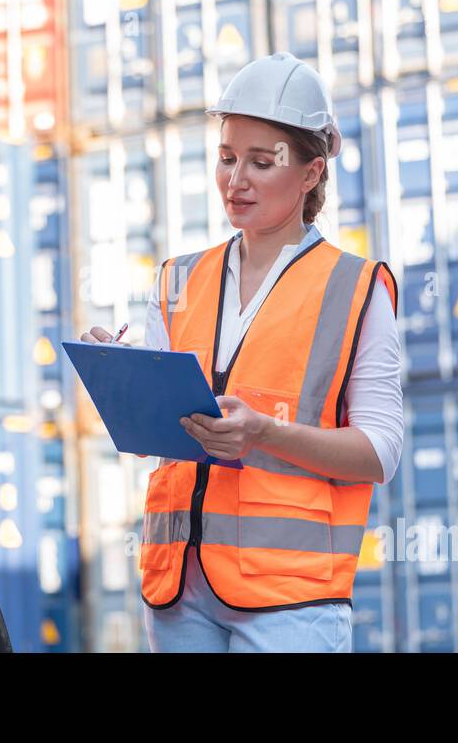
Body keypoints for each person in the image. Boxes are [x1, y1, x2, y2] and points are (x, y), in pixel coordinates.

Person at [81, 52, 403, 652]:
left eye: (262, 162)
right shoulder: (179, 279)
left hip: (291, 596)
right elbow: (159, 433)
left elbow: (380, 453)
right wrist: (123, 379)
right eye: (227, 158)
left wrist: (265, 434)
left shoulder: (356, 288)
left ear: (311, 173)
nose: (237, 180)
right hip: (178, 585)